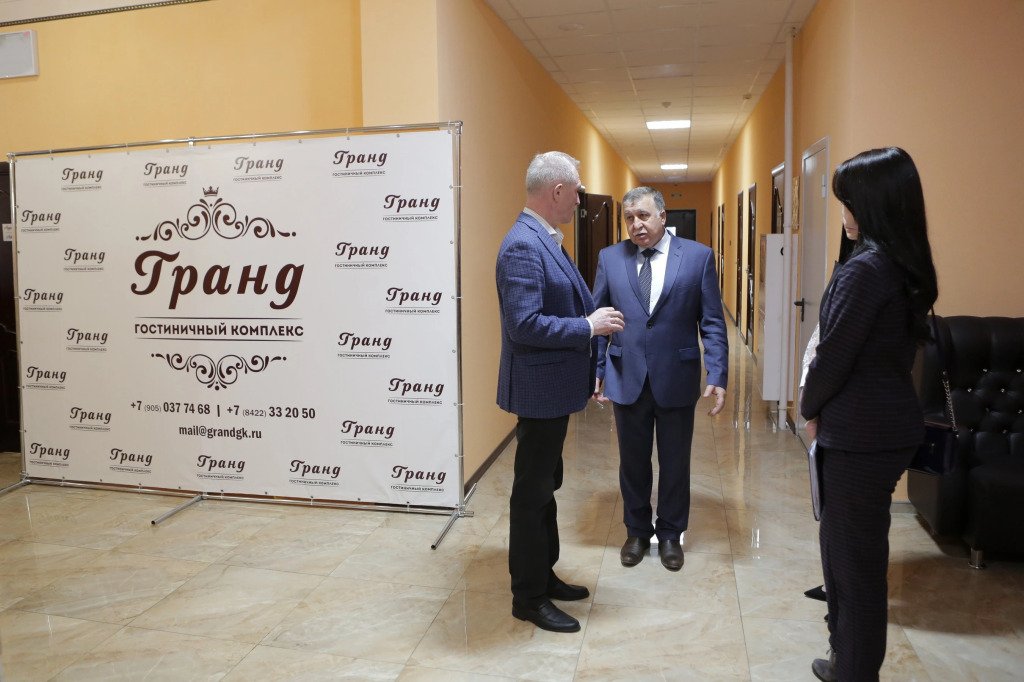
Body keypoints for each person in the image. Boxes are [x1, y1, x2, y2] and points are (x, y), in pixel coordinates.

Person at [800, 147, 938, 681]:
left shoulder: (867, 270)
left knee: (853, 566)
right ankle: (847, 657)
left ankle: (855, 670)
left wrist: (808, 406)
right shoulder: (901, 263)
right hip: (884, 429)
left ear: (874, 204)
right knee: (850, 555)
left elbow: (833, 355)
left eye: (849, 202)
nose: (844, 214)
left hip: (859, 436)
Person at [496, 151, 624, 633]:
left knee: (545, 489)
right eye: (576, 191)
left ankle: (543, 575)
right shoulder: (522, 245)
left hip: (551, 390)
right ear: (556, 191)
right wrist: (589, 326)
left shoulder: (545, 237)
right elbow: (524, 324)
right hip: (538, 392)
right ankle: (527, 597)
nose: (579, 199)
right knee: (531, 495)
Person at [593, 186, 728, 571]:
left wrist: (718, 372)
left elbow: (712, 322)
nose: (636, 225)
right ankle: (636, 531)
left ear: (663, 216)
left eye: (643, 216)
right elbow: (599, 321)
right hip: (626, 375)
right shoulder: (610, 258)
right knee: (632, 462)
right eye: (629, 218)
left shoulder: (698, 257)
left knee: (675, 462)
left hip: (677, 376)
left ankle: (670, 533)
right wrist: (597, 370)